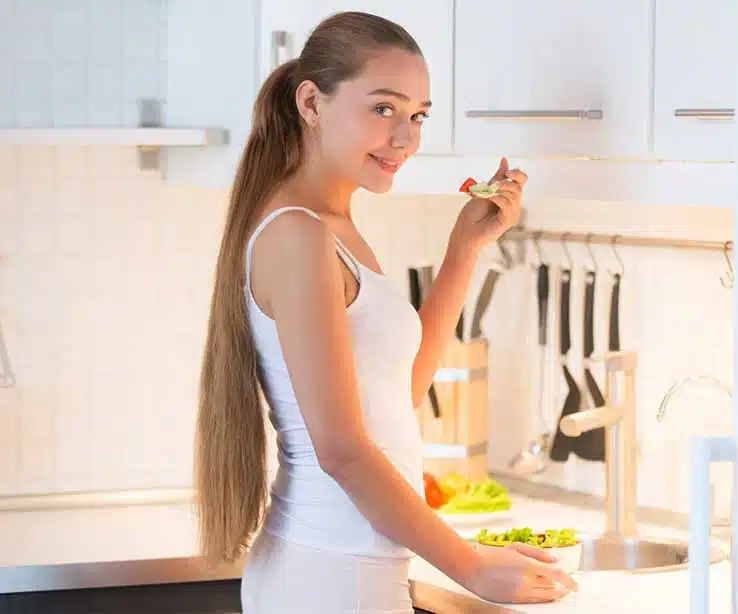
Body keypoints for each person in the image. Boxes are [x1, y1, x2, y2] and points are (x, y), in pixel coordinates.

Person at [192, 10, 578, 614]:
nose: (406, 138)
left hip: (350, 568)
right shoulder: (298, 235)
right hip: (326, 577)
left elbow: (397, 395)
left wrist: (463, 252)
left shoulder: (332, 227)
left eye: (418, 116)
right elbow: (342, 449)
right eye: (384, 109)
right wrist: (470, 565)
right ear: (312, 103)